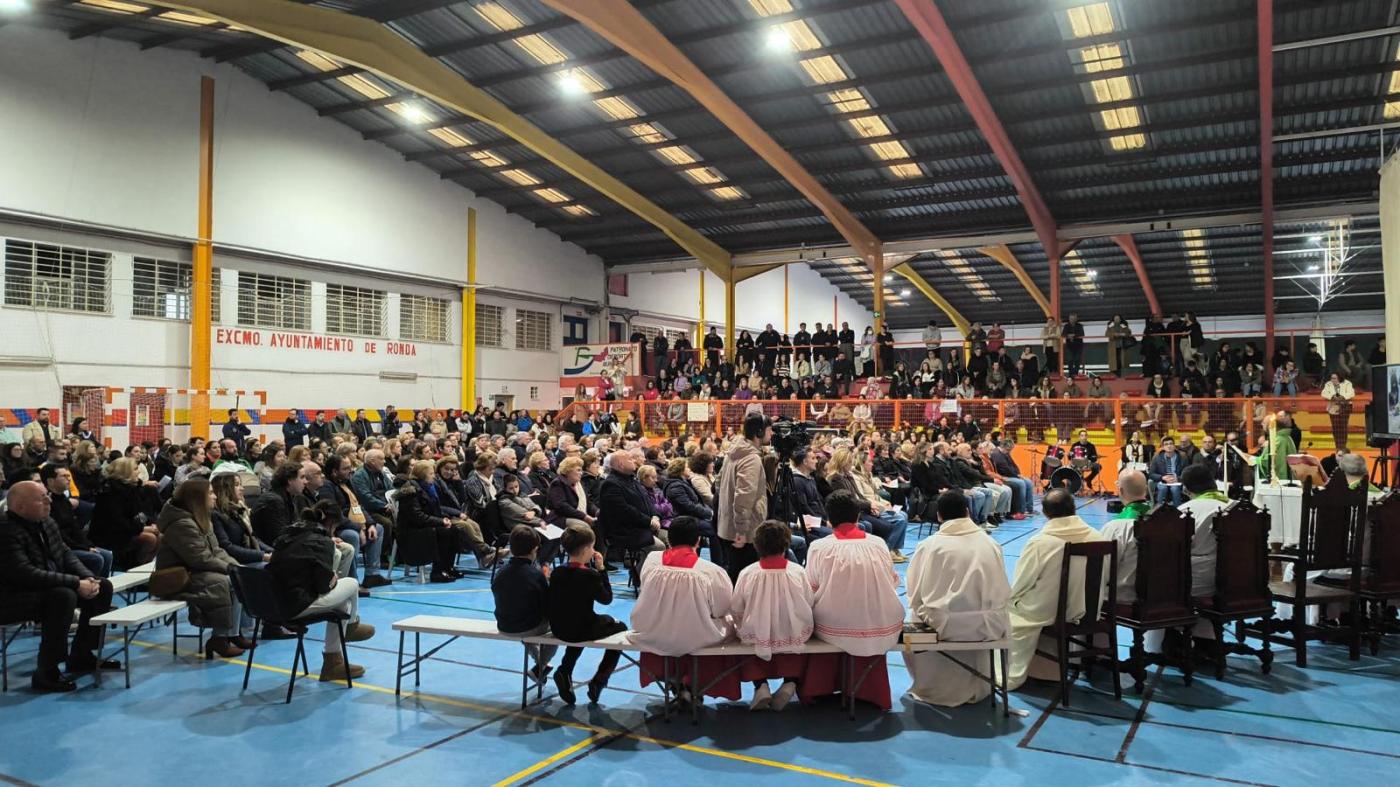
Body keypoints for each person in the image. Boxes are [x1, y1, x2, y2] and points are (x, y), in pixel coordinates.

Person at [0, 480, 115, 692]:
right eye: (41, 498)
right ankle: (46, 671)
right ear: (20, 507)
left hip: (43, 588)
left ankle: (82, 654)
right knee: (62, 597)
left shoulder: (46, 522)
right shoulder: (6, 531)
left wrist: (88, 578)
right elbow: (24, 574)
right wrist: (74, 582)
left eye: (47, 495)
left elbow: (65, 553)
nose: (48, 501)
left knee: (103, 586)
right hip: (11, 597)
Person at [905, 492, 1011, 707]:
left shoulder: (930, 545)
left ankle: (930, 684)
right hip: (989, 626)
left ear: (939, 517)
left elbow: (914, 593)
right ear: (968, 512)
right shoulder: (990, 543)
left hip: (946, 626)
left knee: (913, 614)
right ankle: (983, 683)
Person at [803, 490, 904, 710]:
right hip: (882, 623)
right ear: (858, 517)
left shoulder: (819, 547)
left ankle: (820, 686)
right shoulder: (878, 543)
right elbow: (893, 581)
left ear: (829, 519)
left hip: (834, 626)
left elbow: (809, 590)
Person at [1005, 489, 1107, 690]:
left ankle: (1014, 669)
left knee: (1007, 608)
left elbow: (1021, 584)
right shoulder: (1098, 537)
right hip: (1089, 609)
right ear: (1074, 509)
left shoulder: (1040, 542)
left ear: (1045, 513)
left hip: (1048, 611)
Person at [631, 516, 736, 703]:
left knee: (668, 622)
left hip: (655, 631)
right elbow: (722, 608)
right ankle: (694, 682)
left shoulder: (652, 561)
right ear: (698, 540)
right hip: (697, 634)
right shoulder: (711, 570)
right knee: (726, 621)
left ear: (668, 540)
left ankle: (676, 681)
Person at [267, 501, 374, 682]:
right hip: (296, 605)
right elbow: (324, 585)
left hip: (273, 604)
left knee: (343, 604)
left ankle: (333, 663)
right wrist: (333, 579)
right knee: (352, 583)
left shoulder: (289, 535)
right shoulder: (321, 542)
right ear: (331, 524)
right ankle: (351, 626)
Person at [153, 478, 253, 658]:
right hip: (179, 576)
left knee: (239, 578)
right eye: (210, 493)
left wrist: (236, 566)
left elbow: (216, 550)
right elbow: (199, 558)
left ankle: (233, 633)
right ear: (197, 498)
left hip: (197, 570)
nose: (215, 496)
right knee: (226, 581)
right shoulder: (181, 524)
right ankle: (219, 638)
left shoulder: (200, 517)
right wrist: (230, 569)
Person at [730, 519, 813, 711]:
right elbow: (809, 602)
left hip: (757, 633)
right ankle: (790, 682)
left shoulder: (748, 573)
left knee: (746, 630)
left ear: (757, 545)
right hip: (793, 631)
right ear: (786, 545)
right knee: (798, 627)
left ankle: (761, 686)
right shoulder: (798, 572)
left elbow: (736, 608)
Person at [548, 523, 628, 705]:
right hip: (580, 629)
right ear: (586, 549)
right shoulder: (589, 575)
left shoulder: (557, 572)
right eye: (592, 547)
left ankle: (565, 670)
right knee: (620, 628)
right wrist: (601, 569)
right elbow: (606, 598)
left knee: (580, 622)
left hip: (559, 626)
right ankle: (600, 679)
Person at [493, 525, 556, 683]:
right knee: (557, 629)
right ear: (535, 549)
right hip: (526, 626)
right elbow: (546, 606)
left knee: (520, 616)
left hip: (503, 623)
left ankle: (542, 665)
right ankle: (540, 666)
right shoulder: (535, 575)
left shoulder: (500, 572)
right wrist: (548, 581)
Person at [396, 461, 470, 583]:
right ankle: (437, 571)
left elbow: (435, 510)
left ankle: (448, 567)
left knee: (454, 529)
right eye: (430, 473)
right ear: (422, 475)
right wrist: (440, 521)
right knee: (443, 532)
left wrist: (444, 519)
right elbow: (417, 516)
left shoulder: (428, 488)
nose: (434, 476)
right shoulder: (410, 491)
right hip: (411, 529)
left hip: (424, 524)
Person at [717, 413, 770, 579]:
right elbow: (744, 496)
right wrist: (741, 530)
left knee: (734, 573)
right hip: (744, 532)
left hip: (728, 526)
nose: (772, 434)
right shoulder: (751, 458)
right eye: (770, 430)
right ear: (759, 433)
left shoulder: (733, 452)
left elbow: (718, 483)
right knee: (743, 578)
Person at [89, 457, 160, 569]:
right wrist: (142, 528)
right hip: (110, 534)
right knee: (149, 539)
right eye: (135, 469)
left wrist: (150, 523)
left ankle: (142, 570)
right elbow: (117, 522)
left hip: (127, 528)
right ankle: (134, 570)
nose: (139, 471)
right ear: (126, 472)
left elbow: (141, 511)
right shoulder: (110, 492)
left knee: (160, 536)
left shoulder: (133, 488)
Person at [41, 464, 111, 578]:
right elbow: (58, 534)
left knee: (106, 555)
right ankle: (90, 588)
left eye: (69, 476)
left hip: (74, 544)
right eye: (64, 476)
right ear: (50, 481)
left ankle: (101, 588)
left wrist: (88, 545)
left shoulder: (63, 500)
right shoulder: (48, 503)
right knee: (96, 558)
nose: (69, 479)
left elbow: (74, 527)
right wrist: (83, 548)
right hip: (61, 548)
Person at [597, 450, 665, 559]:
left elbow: (648, 501)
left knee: (674, 537)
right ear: (621, 464)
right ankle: (641, 575)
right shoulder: (611, 484)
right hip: (626, 530)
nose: (633, 460)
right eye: (630, 459)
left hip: (643, 525)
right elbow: (624, 511)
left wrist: (655, 516)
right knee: (659, 546)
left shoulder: (632, 480)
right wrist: (649, 522)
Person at [1177, 464, 1230, 599]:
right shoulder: (1239, 508)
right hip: (1242, 580)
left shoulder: (1185, 511)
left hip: (1199, 582)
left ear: (1185, 489)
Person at [1100, 470, 1153, 604]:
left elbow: (1102, 566)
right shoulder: (1165, 521)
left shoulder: (1117, 526)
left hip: (1123, 596)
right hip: (1161, 594)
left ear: (1120, 491)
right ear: (1146, 490)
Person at [251, 461, 309, 544]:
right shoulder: (273, 501)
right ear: (290, 480)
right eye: (302, 477)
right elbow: (279, 538)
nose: (306, 482)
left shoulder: (290, 497)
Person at [1321, 372, 1355, 451]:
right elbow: (1323, 393)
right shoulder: (1328, 384)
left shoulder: (1347, 383)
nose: (1332, 380)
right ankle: (1337, 446)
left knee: (1343, 427)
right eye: (1331, 378)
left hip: (1345, 407)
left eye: (1334, 378)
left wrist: (1342, 397)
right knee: (1335, 428)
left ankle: (1343, 446)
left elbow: (1351, 393)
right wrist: (1332, 396)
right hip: (1333, 407)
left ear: (1339, 378)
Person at [1149, 436, 1185, 506]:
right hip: (1162, 481)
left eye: (1171, 444)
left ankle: (1178, 510)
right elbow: (1151, 474)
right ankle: (1159, 509)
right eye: (1166, 444)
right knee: (1162, 488)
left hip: (1176, 481)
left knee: (1175, 489)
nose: (1169, 446)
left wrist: (1177, 478)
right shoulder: (1157, 457)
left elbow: (1187, 472)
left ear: (1174, 446)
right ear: (1163, 447)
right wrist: (1162, 477)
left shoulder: (1182, 457)